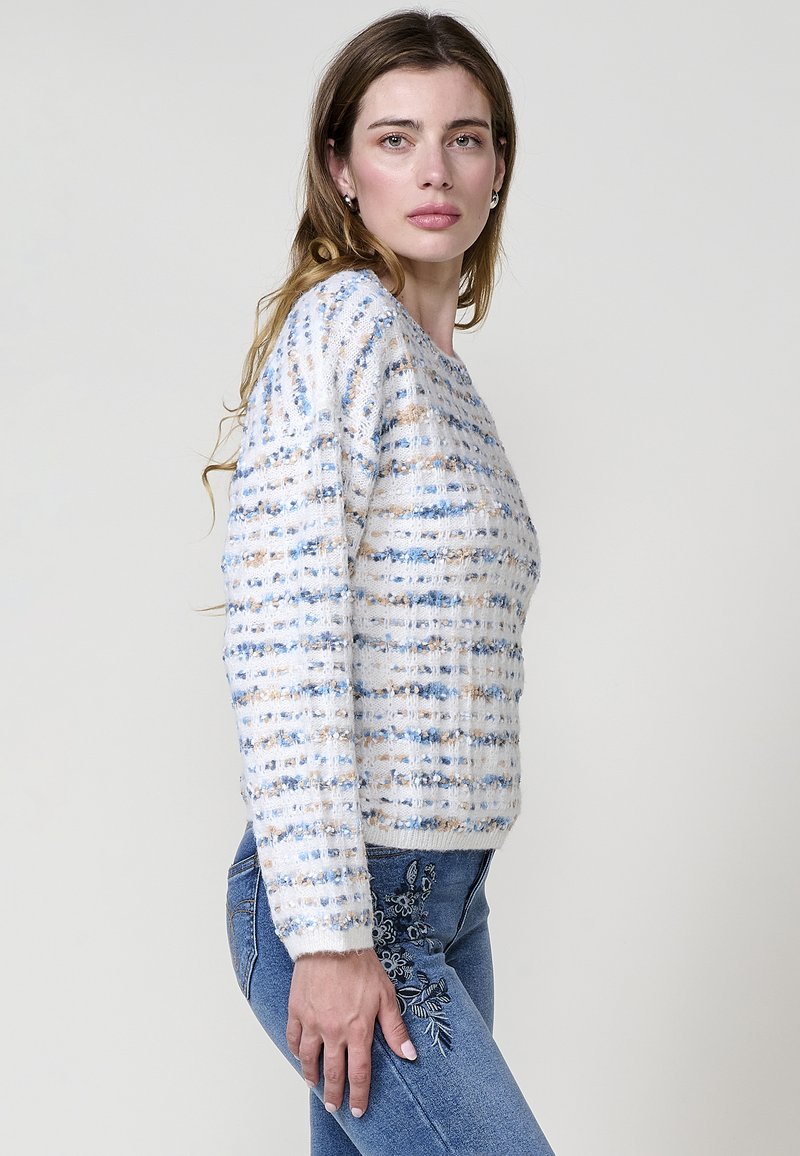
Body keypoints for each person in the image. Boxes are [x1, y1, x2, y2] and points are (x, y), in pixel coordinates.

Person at [204, 9, 557, 1154]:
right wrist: (327, 934)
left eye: (464, 138)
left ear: (496, 167)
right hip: (357, 898)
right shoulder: (343, 326)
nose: (434, 169)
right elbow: (283, 638)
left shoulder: (445, 378)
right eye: (395, 138)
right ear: (340, 168)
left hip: (450, 896)